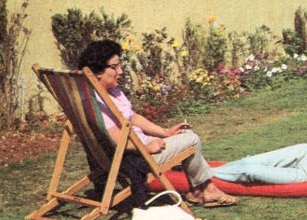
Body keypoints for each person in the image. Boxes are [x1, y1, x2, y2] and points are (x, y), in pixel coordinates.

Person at [78, 40, 237, 208]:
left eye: (120, 65)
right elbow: (116, 140)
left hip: (136, 148)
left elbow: (133, 117)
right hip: (135, 156)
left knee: (184, 135)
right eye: (114, 67)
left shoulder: (109, 92)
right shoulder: (97, 104)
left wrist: (164, 132)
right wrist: (146, 148)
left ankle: (202, 190)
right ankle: (205, 190)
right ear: (97, 72)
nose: (121, 71)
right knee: (192, 139)